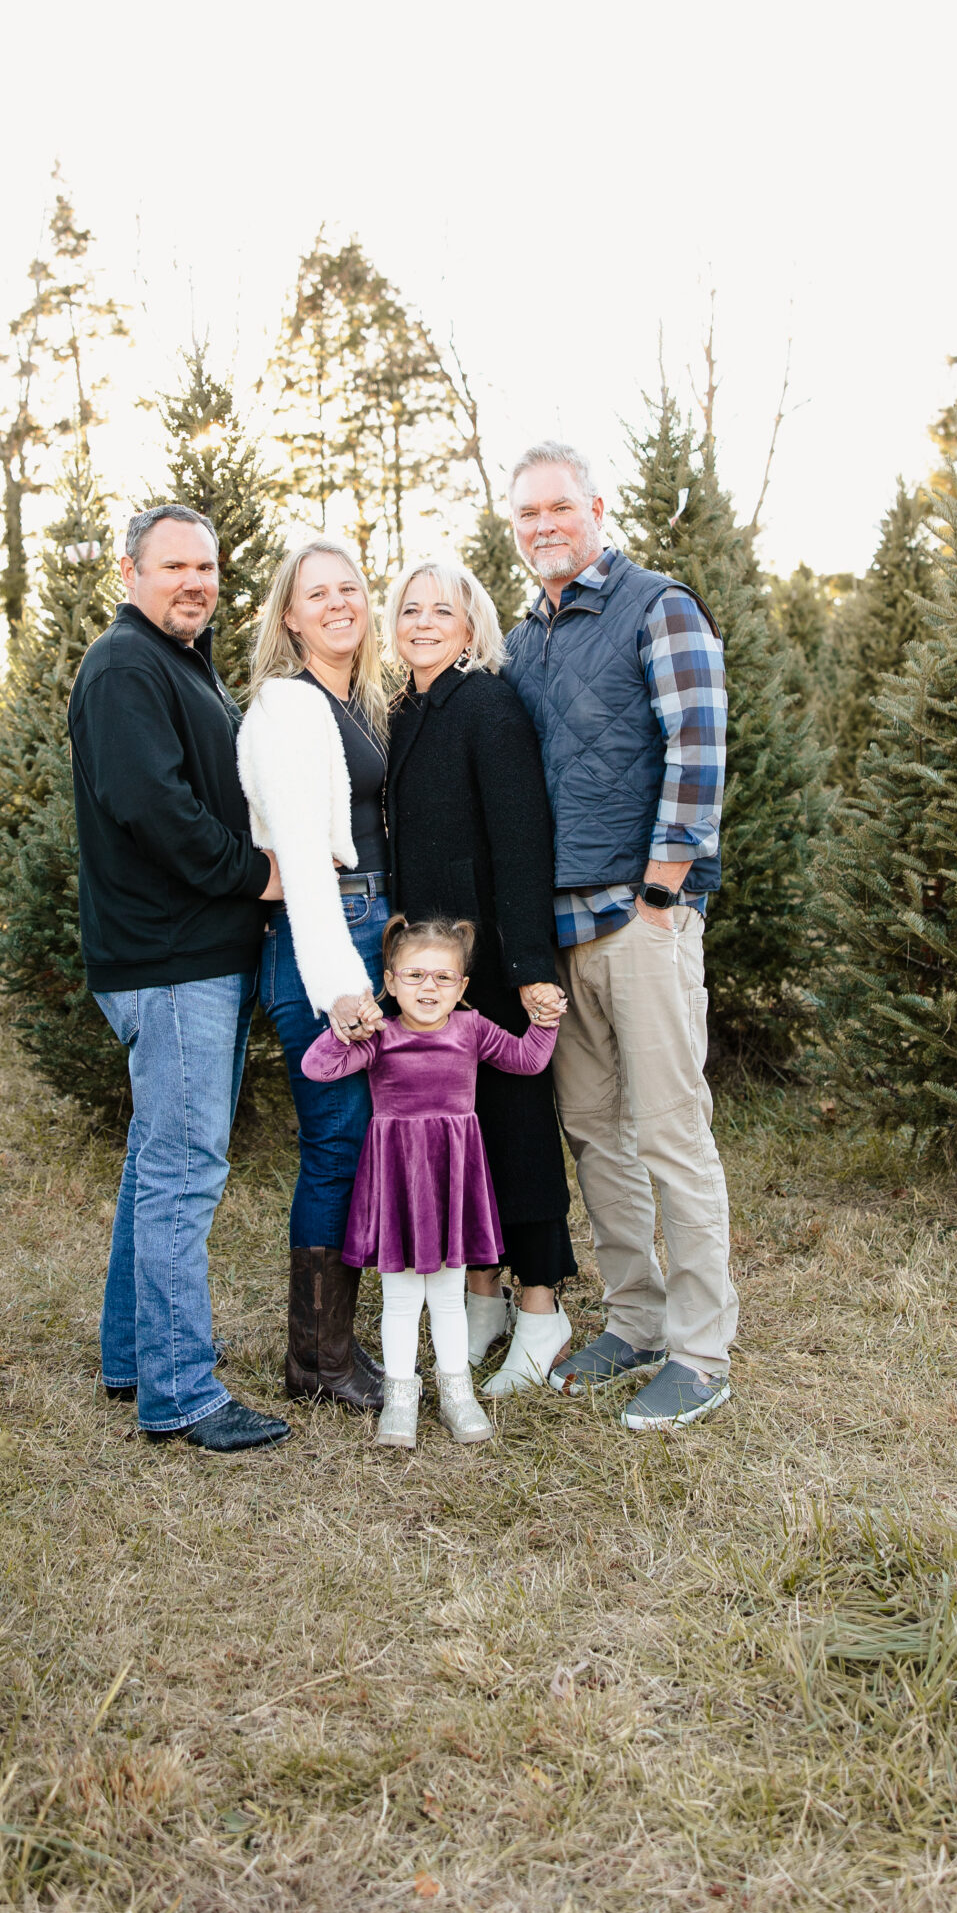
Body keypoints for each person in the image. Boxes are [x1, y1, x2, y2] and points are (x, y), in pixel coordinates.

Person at [503, 440, 739, 1433]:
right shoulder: (521, 639)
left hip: (638, 922)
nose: (544, 526)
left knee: (670, 1131)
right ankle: (636, 1321)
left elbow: (698, 748)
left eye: (559, 506)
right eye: (526, 514)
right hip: (559, 938)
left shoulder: (657, 606)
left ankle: (700, 1351)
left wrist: (659, 896)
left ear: (595, 509)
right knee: (595, 1132)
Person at [68, 501, 289, 1456]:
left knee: (155, 1161)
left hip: (190, 955)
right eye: (174, 567)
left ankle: (133, 1356)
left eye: (206, 567)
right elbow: (150, 806)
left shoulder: (178, 660)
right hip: (169, 959)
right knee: (182, 1172)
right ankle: (181, 1392)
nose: (195, 582)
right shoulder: (126, 665)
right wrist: (255, 875)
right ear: (129, 573)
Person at [383, 556, 577, 1396]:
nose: (423, 623)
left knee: (515, 1125)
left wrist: (529, 965)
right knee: (460, 1135)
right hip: (427, 968)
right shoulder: (401, 711)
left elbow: (521, 841)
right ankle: (483, 1295)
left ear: (470, 626)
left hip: (490, 962)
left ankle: (541, 1306)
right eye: (410, 609)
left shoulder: (488, 704)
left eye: (441, 610)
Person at [302, 917, 563, 1451]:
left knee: (447, 1294)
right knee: (400, 1297)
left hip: (452, 1179)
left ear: (462, 986)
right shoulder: (382, 1036)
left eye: (443, 978)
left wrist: (546, 1019)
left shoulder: (471, 1029)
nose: (429, 987)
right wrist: (346, 1026)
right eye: (415, 975)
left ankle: (455, 1393)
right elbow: (316, 1068)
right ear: (390, 982)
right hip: (398, 1178)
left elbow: (527, 1059)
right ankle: (401, 1395)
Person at [237, 539, 392, 1413]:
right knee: (336, 1142)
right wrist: (338, 985)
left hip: (369, 927)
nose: (338, 604)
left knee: (358, 1141)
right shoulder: (288, 706)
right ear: (289, 617)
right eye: (317, 594)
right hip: (320, 937)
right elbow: (298, 854)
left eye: (349, 588)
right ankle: (317, 1359)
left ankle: (333, 1344)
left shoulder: (361, 702)